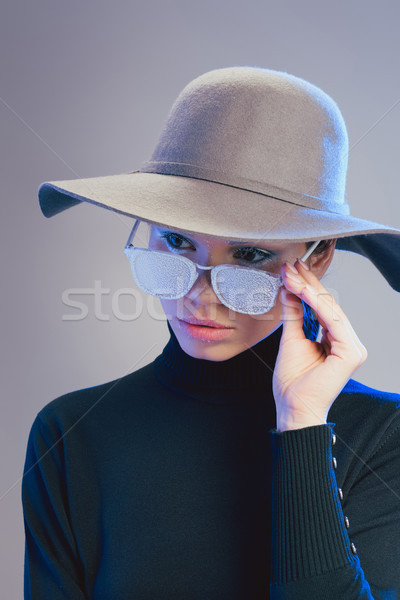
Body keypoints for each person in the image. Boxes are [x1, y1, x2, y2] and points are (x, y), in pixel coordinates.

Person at [22, 66, 400, 599]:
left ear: (317, 260)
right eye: (176, 243)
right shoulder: (70, 435)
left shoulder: (384, 438)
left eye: (248, 256)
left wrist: (302, 428)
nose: (201, 294)